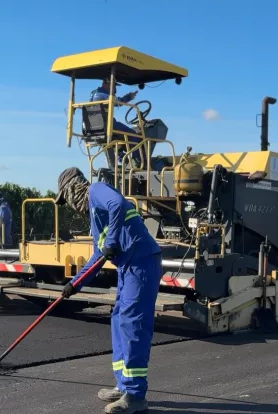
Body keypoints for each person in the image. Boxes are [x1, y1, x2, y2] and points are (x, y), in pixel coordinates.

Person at [54, 167, 161, 414]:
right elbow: (98, 256)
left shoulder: (97, 190)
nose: (70, 205)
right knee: (119, 320)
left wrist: (112, 241)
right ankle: (123, 385)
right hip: (128, 268)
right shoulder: (95, 217)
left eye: (66, 198)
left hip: (141, 263)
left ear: (73, 188)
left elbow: (119, 204)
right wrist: (74, 284)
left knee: (133, 324)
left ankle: (135, 395)